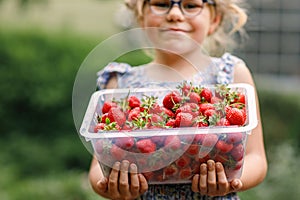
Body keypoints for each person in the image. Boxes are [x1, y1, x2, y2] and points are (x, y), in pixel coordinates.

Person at [89, 0, 268, 199]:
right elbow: (99, 166)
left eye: (191, 5)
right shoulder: (120, 82)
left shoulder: (232, 74)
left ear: (215, 20)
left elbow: (256, 158)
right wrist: (112, 183)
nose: (175, 13)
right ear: (141, 17)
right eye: (161, 4)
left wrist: (231, 180)